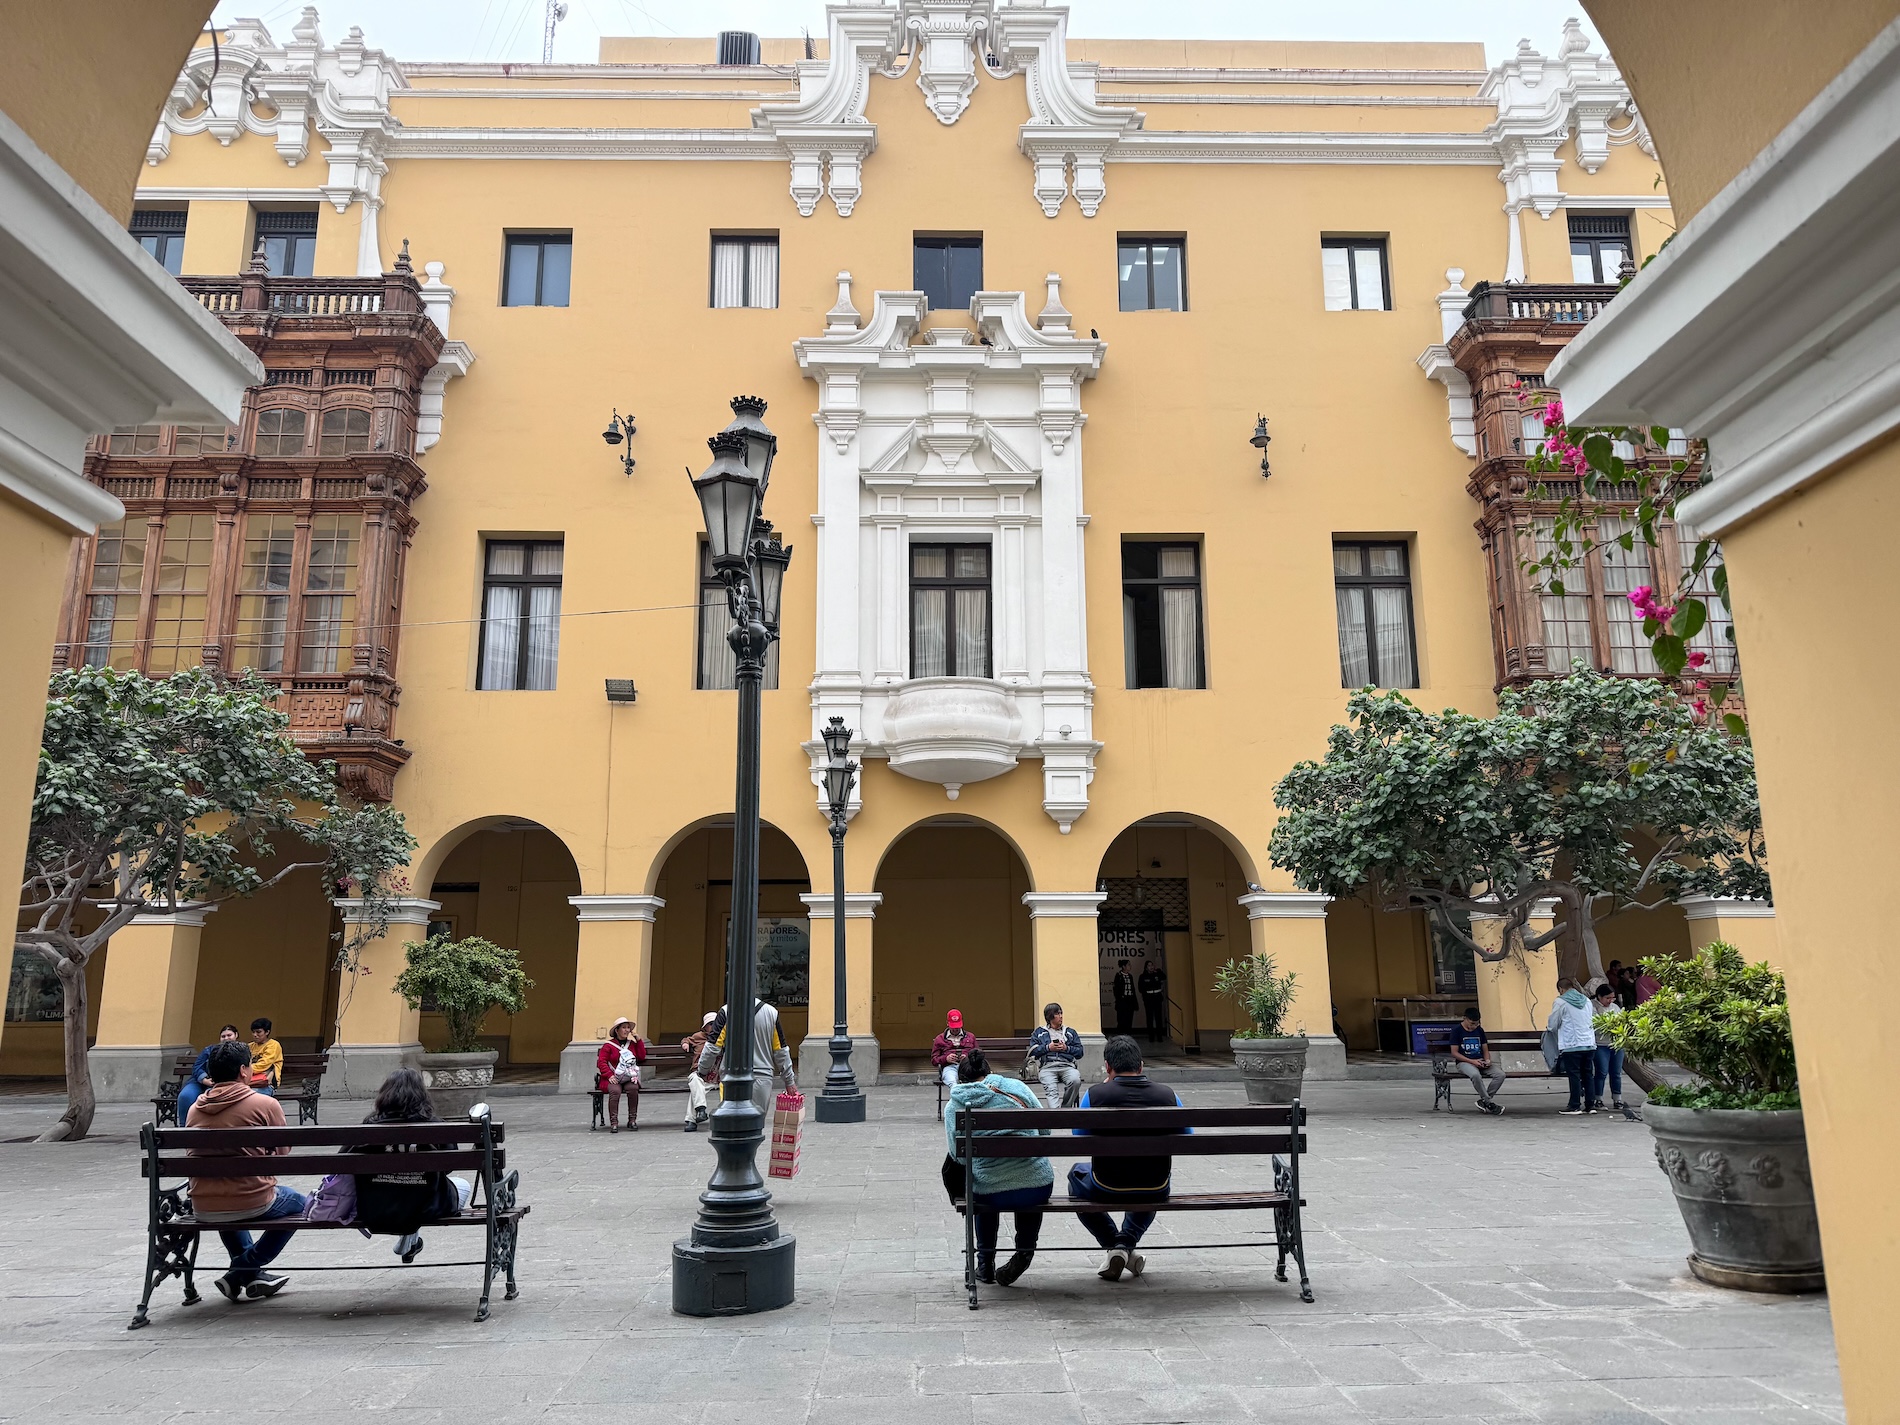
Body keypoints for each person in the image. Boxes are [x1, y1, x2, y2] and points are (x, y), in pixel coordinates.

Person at [185, 1039, 300, 1303]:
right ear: (243, 1071)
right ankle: (241, 1272)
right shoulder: (265, 1105)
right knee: (304, 1206)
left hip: (203, 1203)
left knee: (226, 1200)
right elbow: (281, 1155)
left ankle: (251, 1275)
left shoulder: (194, 1109)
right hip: (253, 1199)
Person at [1068, 1035, 1185, 1281]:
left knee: (1075, 1176)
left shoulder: (1096, 1095)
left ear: (1108, 1067)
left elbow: (1078, 1133)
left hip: (1106, 1184)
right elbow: (1187, 1133)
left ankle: (1115, 1246)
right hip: (1156, 1184)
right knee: (1149, 1185)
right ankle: (1125, 1245)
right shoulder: (1168, 1095)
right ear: (1141, 1065)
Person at [944, 1048, 1051, 1287]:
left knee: (981, 1184)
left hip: (989, 1192)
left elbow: (957, 1156)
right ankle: (1024, 1252)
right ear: (989, 1072)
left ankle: (984, 1263)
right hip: (1036, 1186)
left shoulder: (955, 1106)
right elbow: (1045, 1131)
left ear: (961, 1080)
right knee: (1028, 1176)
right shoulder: (1017, 1088)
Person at [353, 1067, 477, 1264]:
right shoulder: (434, 1124)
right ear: (421, 1095)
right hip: (426, 1206)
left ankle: (410, 1235)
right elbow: (448, 1166)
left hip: (377, 1205)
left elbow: (345, 1163)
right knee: (461, 1185)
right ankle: (410, 1233)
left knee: (407, 1194)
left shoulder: (369, 1126)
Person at [697, 998, 796, 1117]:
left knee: (730, 1124)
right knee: (755, 1126)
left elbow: (712, 1047)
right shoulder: (771, 1012)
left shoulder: (726, 1011)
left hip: (731, 1077)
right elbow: (781, 1051)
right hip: (762, 1078)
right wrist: (789, 1081)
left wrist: (702, 1070)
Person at [1548, 977, 1599, 1115]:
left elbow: (1553, 1025)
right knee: (1588, 1074)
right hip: (1589, 1044)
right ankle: (1590, 1105)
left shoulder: (1560, 1002)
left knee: (1574, 1075)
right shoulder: (1587, 1001)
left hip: (1571, 1044)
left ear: (1561, 989)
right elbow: (1594, 1019)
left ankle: (1574, 1105)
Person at [177, 1024, 240, 1124]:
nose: (226, 1038)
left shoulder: (240, 1052)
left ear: (236, 1035)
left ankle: (206, 1126)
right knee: (185, 1096)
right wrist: (204, 1079)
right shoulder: (209, 1050)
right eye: (223, 1036)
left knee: (213, 1097)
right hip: (199, 1082)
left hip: (221, 1084)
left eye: (229, 1035)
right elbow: (197, 1067)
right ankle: (184, 1128)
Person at [1448, 1008, 1506, 1115]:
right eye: (1472, 1023)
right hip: (1464, 1062)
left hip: (1480, 1061)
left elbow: (1485, 1049)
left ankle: (1484, 1101)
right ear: (1465, 1018)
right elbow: (1454, 1053)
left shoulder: (1479, 1030)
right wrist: (1472, 1061)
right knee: (1475, 1075)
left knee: (1500, 1074)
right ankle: (1488, 1102)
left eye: (1476, 1024)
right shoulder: (1457, 1031)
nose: (1473, 1027)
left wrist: (1487, 1060)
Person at [1028, 1002, 1084, 1109]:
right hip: (1047, 1067)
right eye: (1057, 1014)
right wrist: (1048, 1048)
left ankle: (1065, 1109)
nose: (1061, 1016)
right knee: (1051, 1089)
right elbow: (1033, 1052)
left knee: (1075, 1080)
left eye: (1061, 1013)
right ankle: (1055, 1113)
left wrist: (1066, 1048)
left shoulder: (1070, 1032)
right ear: (1050, 1016)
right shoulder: (1039, 1033)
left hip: (1067, 1065)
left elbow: (1080, 1052)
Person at [595, 1016, 646, 1133]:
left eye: (628, 1028)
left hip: (628, 1077)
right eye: (624, 1027)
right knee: (615, 1091)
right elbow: (601, 1062)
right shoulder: (608, 1045)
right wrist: (609, 1075)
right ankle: (614, 1122)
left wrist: (638, 1040)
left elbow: (641, 1056)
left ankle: (632, 1120)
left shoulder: (632, 1044)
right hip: (613, 1077)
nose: (627, 1030)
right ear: (617, 1030)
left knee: (633, 1089)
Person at [679, 1011, 719, 1132]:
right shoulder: (698, 1036)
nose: (713, 1026)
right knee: (695, 1081)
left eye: (715, 1023)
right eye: (710, 1024)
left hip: (717, 1075)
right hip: (699, 1073)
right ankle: (700, 1110)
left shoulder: (723, 1036)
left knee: (695, 1090)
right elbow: (686, 1039)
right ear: (705, 1026)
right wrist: (685, 1044)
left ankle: (692, 1119)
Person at [1591, 981, 1627, 1111]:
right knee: (1601, 1072)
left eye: (1612, 998)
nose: (1610, 1001)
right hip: (1600, 1044)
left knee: (1616, 1073)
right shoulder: (1592, 1007)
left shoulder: (1615, 1007)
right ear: (1599, 996)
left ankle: (1617, 1098)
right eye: (1607, 998)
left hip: (1616, 1044)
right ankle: (1598, 1098)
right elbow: (1596, 1025)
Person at [931, 1009, 979, 1090]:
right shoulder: (939, 1039)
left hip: (968, 1067)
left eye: (957, 1026)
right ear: (947, 1023)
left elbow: (978, 1055)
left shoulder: (970, 1037)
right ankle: (959, 1097)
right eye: (953, 1027)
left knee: (971, 1082)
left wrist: (968, 1057)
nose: (955, 1029)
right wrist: (946, 1059)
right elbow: (934, 1060)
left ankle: (965, 1099)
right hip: (949, 1067)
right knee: (952, 1082)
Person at [246, 1017, 283, 1092]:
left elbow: (264, 1064)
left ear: (267, 1032)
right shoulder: (250, 1046)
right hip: (250, 1082)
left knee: (250, 1095)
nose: (255, 1035)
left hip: (267, 1084)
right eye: (253, 1032)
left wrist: (244, 1070)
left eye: (258, 1032)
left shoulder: (273, 1045)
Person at [1137, 960, 1168, 1045]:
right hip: (1149, 998)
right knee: (1150, 1018)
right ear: (1146, 967)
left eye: (1152, 965)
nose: (1151, 967)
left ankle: (1159, 1036)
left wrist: (1158, 970)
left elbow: (1164, 977)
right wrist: (1145, 996)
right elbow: (1140, 988)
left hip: (1157, 997)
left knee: (1159, 1017)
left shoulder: (1157, 974)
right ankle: (1151, 1036)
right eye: (1149, 965)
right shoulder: (1143, 976)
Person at [1111, 965, 1138, 1035]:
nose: (1130, 966)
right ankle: (1121, 1034)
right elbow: (1116, 989)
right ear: (1124, 966)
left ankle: (1128, 1033)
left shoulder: (1130, 976)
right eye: (1128, 965)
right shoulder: (1119, 976)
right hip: (1122, 1001)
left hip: (1130, 1000)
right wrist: (1119, 998)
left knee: (1129, 1018)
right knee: (1121, 1019)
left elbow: (1133, 989)